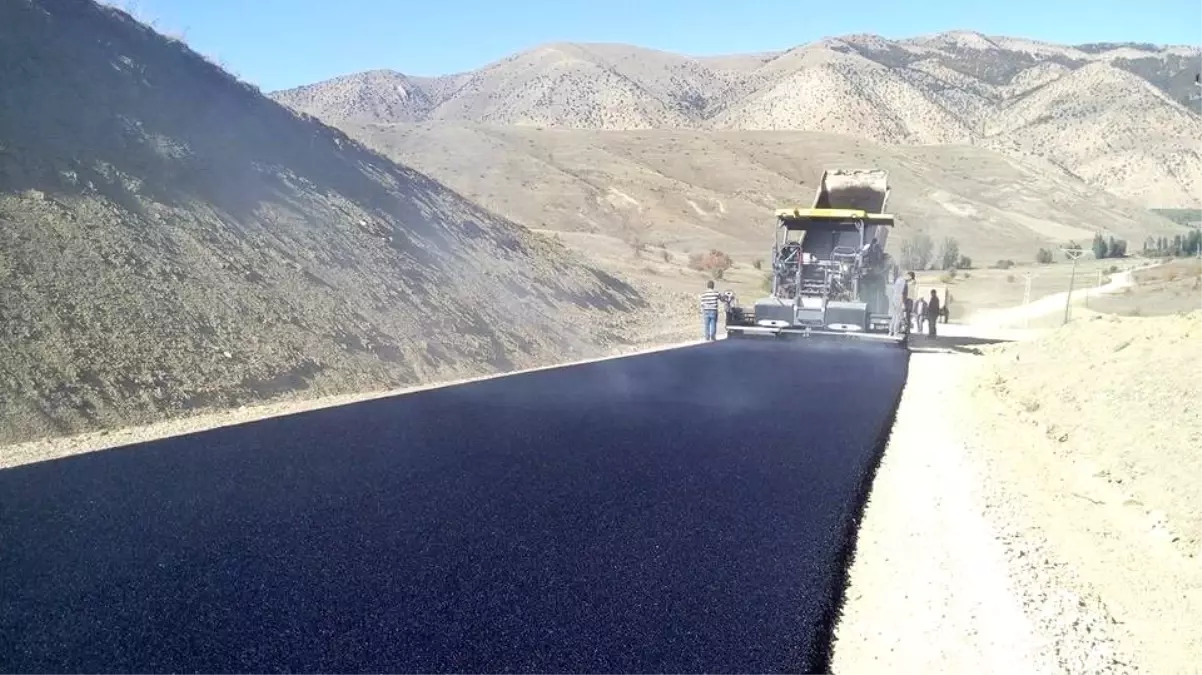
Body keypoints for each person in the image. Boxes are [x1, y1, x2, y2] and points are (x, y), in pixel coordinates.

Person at [887, 269, 908, 336]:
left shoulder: (897, 281)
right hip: (899, 300)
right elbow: (901, 293)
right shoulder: (902, 281)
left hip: (894, 300)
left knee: (894, 317)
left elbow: (894, 291)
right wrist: (903, 303)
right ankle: (896, 332)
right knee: (898, 317)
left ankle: (890, 332)